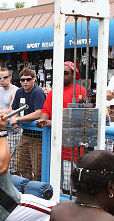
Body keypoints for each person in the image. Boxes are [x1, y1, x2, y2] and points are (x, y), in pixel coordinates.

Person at [36, 61, 86, 192]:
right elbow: (45, 110)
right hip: (53, 143)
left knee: (70, 186)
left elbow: (77, 118)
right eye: (60, 73)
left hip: (72, 147)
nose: (62, 76)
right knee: (53, 181)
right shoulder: (53, 92)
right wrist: (42, 121)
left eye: (65, 73)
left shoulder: (80, 91)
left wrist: (51, 123)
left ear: (74, 75)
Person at [10, 67, 46, 181]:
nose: (25, 82)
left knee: (37, 169)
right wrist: (13, 117)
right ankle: (26, 188)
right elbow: (13, 109)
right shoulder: (19, 91)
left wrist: (19, 120)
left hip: (38, 136)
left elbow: (39, 113)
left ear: (34, 79)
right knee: (21, 165)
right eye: (22, 80)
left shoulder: (38, 92)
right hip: (25, 134)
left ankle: (36, 191)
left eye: (28, 79)